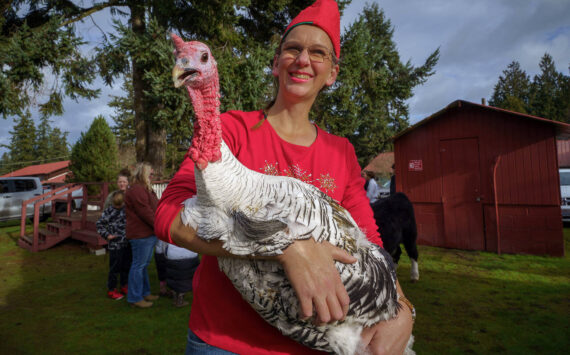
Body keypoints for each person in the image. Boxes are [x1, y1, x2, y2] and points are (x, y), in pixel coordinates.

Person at [155, 0, 413, 353]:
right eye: (293, 49)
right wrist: (287, 248)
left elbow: (367, 241)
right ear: (276, 63)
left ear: (332, 73)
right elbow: (169, 216)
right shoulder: (230, 129)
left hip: (314, 343)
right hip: (224, 343)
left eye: (317, 52)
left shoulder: (341, 152)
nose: (303, 59)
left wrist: (403, 310)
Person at [125, 162, 160, 308]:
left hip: (147, 233)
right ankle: (134, 297)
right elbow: (145, 212)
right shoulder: (137, 190)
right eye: (150, 174)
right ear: (143, 174)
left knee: (143, 265)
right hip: (141, 235)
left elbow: (154, 207)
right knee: (138, 266)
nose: (152, 176)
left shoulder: (143, 189)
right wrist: (160, 225)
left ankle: (144, 292)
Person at [96, 190, 130, 300]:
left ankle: (124, 286)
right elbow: (99, 224)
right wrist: (107, 235)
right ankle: (112, 289)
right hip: (115, 246)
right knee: (114, 269)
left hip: (126, 243)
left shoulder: (126, 210)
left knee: (126, 266)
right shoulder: (109, 211)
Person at [163, 242, 200, 308]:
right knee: (186, 278)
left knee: (173, 276)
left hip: (172, 254)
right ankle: (180, 300)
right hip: (188, 254)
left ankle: (175, 298)